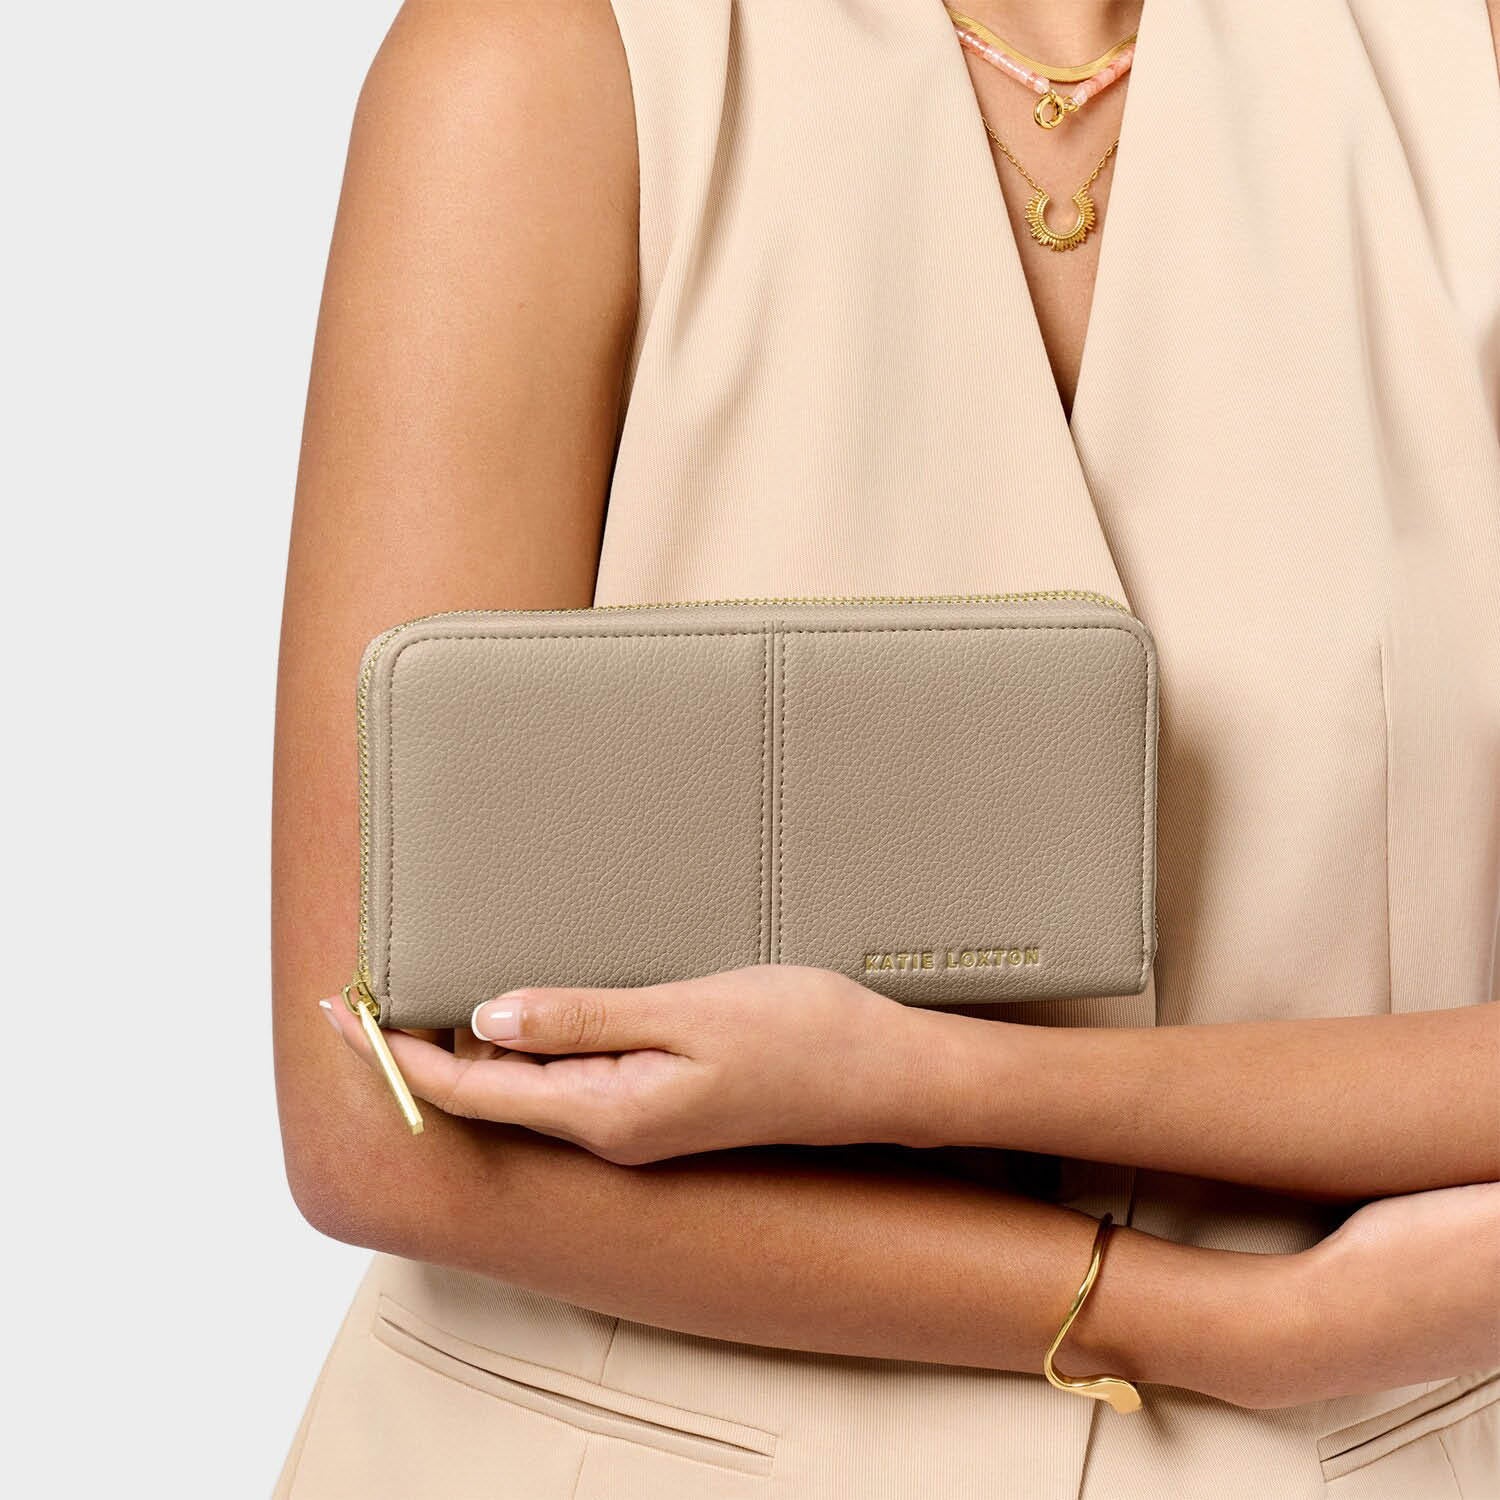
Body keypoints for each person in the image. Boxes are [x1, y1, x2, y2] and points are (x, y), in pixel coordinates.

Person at [270, 2, 1500, 1495]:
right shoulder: (545, 59)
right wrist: (1235, 1324)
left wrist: (930, 1079)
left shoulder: (1462, 62)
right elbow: (376, 1112)